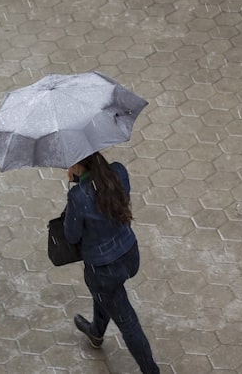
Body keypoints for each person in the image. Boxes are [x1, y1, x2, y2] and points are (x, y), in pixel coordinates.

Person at [64, 151, 159, 374]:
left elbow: (71, 236)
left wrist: (75, 190)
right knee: (106, 296)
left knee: (128, 324)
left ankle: (151, 371)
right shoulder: (118, 172)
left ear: (77, 165)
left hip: (103, 270)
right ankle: (96, 332)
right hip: (130, 255)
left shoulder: (78, 196)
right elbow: (112, 201)